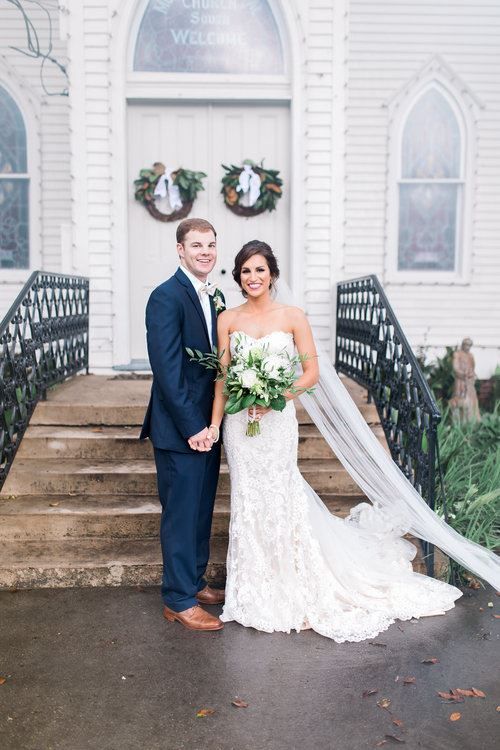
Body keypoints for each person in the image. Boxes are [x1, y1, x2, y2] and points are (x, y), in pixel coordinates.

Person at [207, 240, 467, 642]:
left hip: (276, 421)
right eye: (245, 270)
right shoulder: (227, 319)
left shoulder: (293, 316)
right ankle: (253, 589)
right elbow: (223, 378)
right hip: (241, 429)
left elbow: (309, 374)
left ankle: (293, 583)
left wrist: (273, 397)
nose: (253, 277)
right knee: (248, 498)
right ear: (238, 277)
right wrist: (214, 424)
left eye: (260, 269)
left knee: (280, 493)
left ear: (272, 274)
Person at [141, 218, 226, 632]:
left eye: (211, 244)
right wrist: (194, 426)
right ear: (180, 249)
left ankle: (194, 582)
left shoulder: (214, 296)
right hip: (181, 430)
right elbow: (168, 371)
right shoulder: (165, 297)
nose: (205, 252)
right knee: (180, 513)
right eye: (196, 245)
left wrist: (214, 424)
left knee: (200, 510)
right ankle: (177, 599)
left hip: (209, 426)